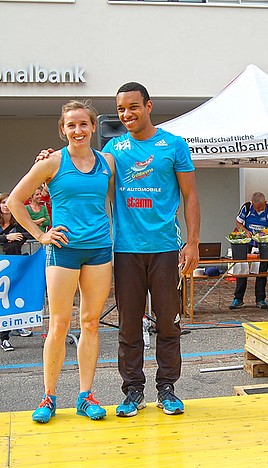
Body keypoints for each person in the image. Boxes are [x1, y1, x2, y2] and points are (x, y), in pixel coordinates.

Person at [8, 100, 115, 423]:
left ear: (94, 127)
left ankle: (85, 396)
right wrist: (40, 235)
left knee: (91, 323)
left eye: (84, 124)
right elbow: (14, 200)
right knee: (58, 324)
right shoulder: (51, 163)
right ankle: (49, 397)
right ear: (62, 129)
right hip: (63, 250)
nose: (78, 130)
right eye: (71, 125)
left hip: (99, 249)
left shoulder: (108, 160)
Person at [103, 82, 200, 417]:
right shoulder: (114, 148)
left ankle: (167, 389)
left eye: (133, 106)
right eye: (121, 109)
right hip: (126, 251)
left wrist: (193, 241)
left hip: (164, 250)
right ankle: (133, 392)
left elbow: (190, 196)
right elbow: (85, 168)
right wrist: (51, 159)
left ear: (148, 106)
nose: (127, 114)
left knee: (168, 325)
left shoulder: (173, 145)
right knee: (128, 326)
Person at [0, 193, 33, 351]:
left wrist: (18, 236)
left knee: (14, 297)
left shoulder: (18, 220)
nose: (5, 205)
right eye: (3, 203)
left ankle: (17, 325)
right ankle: (3, 336)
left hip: (15, 266)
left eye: (8, 203)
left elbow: (30, 233)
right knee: (1, 299)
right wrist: (6, 237)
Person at [229, 192, 268, 310]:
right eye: (255, 208)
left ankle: (260, 299)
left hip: (262, 245)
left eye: (260, 208)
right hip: (247, 244)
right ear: (252, 203)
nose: (257, 210)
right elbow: (238, 222)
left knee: (261, 272)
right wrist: (245, 231)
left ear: (265, 203)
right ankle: (238, 299)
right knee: (242, 270)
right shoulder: (246, 207)